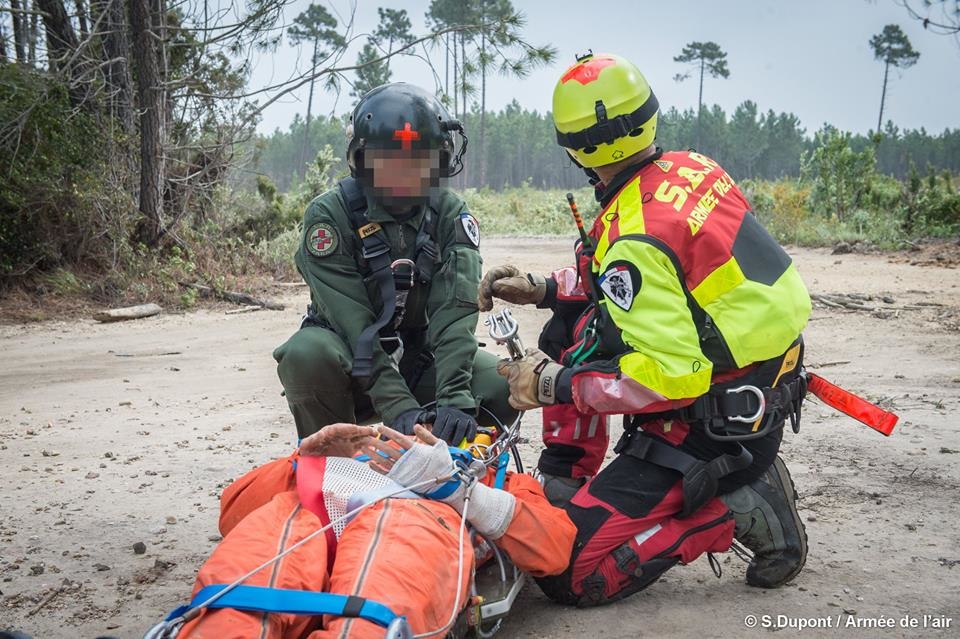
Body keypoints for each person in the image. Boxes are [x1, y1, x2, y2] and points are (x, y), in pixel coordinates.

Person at [479, 52, 813, 606]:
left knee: (569, 575)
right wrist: (543, 288)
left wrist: (554, 385)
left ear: (574, 148)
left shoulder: (632, 238)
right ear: (649, 115)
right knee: (569, 324)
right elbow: (659, 280)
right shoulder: (690, 169)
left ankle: (735, 505)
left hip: (712, 428)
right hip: (757, 384)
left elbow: (671, 374)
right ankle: (570, 481)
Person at [273, 82, 515, 444]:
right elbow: (354, 325)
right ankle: (335, 462)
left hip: (419, 357)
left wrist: (455, 400)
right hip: (349, 364)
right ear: (363, 161)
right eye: (389, 162)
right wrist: (398, 405)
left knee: (500, 382)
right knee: (306, 354)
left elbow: (454, 315)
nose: (404, 174)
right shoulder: (330, 215)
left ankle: (451, 469)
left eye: (418, 162)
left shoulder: (450, 215)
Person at [171, 423, 576, 638]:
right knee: (247, 573)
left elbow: (555, 548)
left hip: (418, 514)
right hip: (309, 510)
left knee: (390, 551)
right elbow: (233, 516)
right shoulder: (342, 456)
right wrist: (302, 459)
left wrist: (458, 489)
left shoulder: (480, 475)